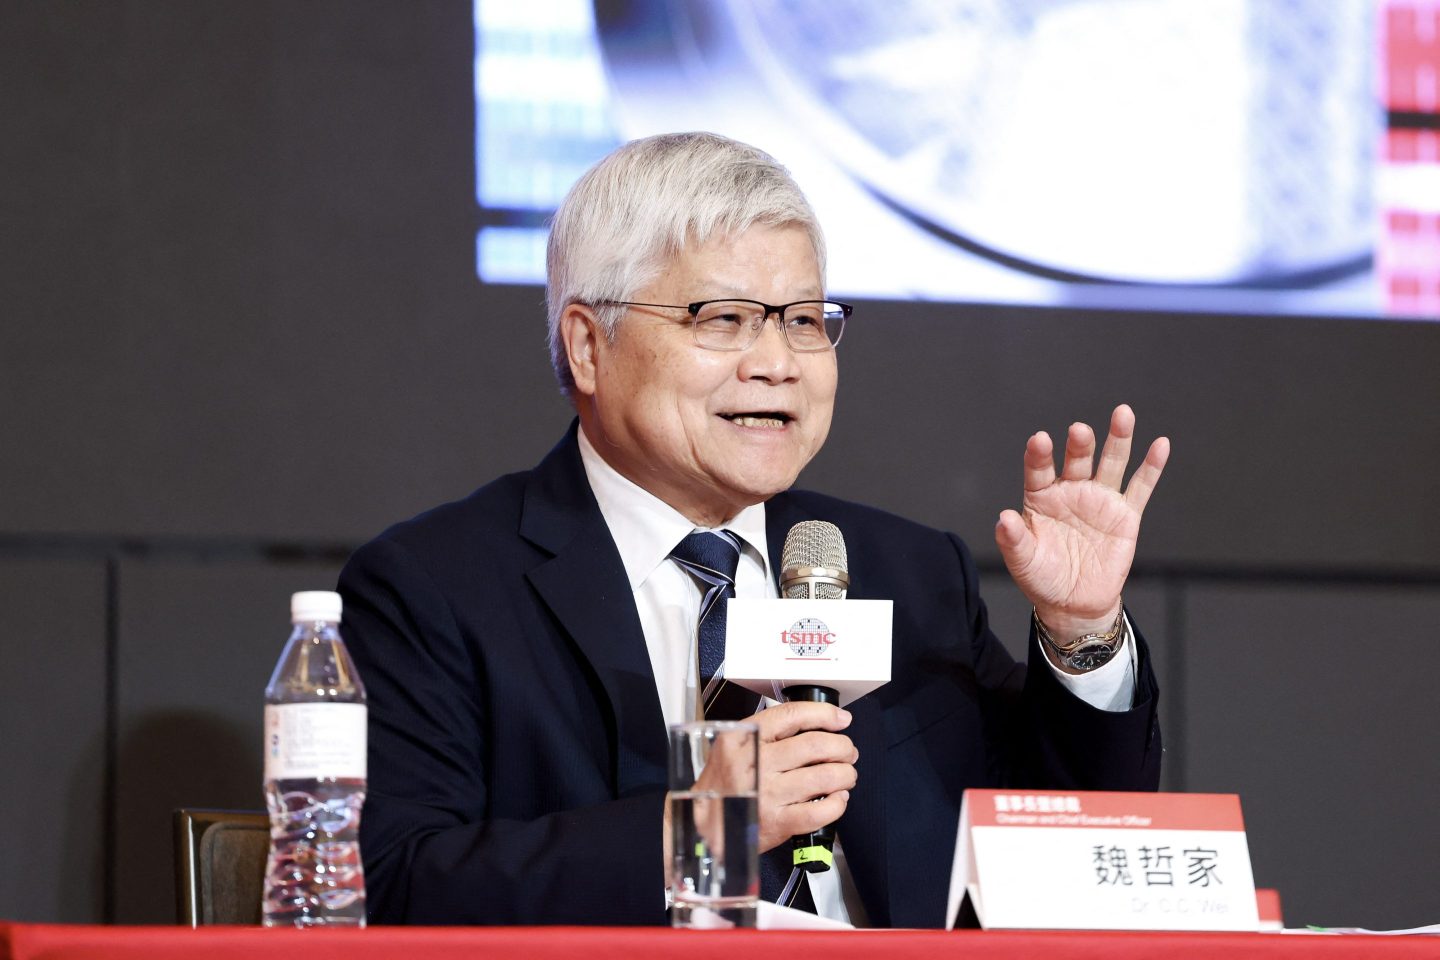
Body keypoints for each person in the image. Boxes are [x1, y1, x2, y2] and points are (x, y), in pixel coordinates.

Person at [337, 132, 1169, 927]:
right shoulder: (436, 586)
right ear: (589, 346)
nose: (778, 362)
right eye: (724, 319)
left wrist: (1082, 635)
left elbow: (1074, 841)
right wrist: (697, 832)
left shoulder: (907, 573)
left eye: (804, 320)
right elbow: (395, 882)